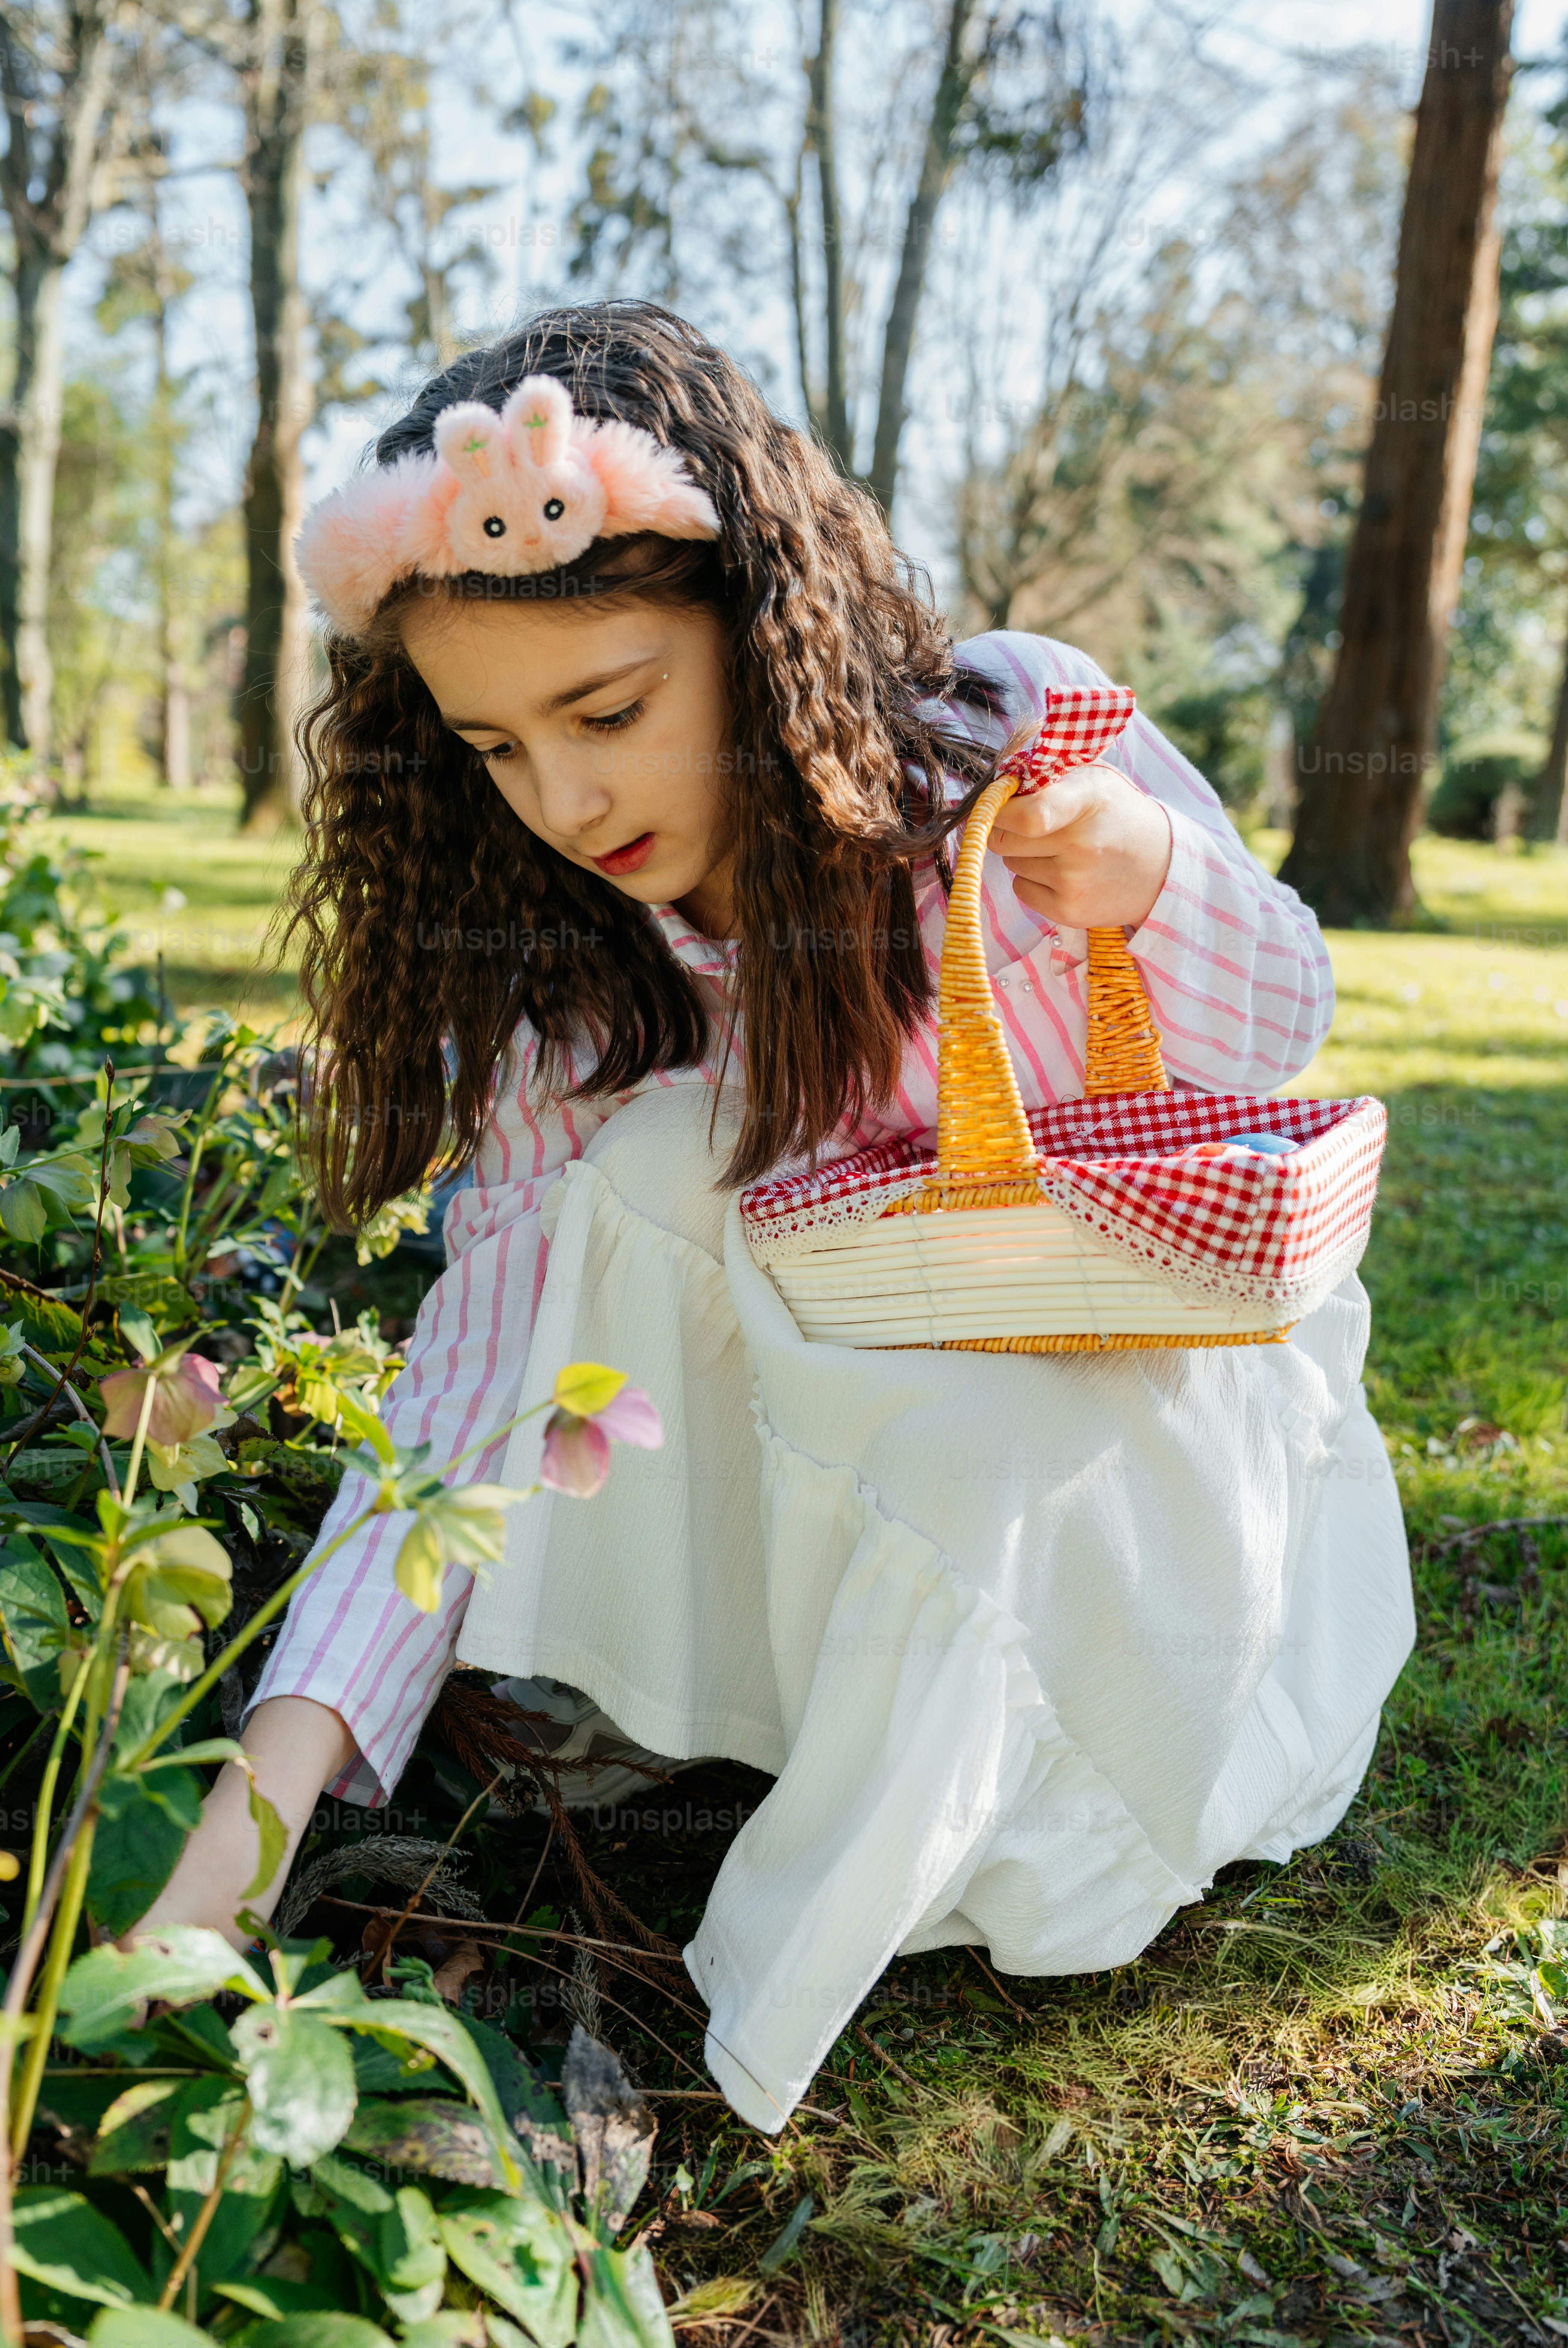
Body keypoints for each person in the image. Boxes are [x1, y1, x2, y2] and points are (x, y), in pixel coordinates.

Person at [143, 299, 1413, 2131]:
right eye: (496, 746)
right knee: (647, 1167)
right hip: (890, 1432)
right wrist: (245, 1828)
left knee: (830, 1304)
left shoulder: (1000, 745)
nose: (565, 798)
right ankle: (793, 1721)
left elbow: (1278, 1023)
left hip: (1125, 1421)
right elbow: (473, 1379)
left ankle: (1022, 1801)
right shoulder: (581, 974)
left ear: (755, 628)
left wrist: (1146, 876)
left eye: (608, 710)